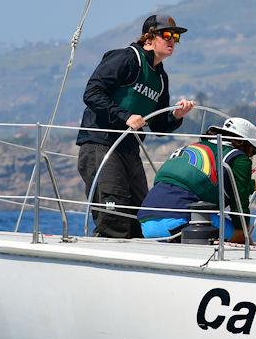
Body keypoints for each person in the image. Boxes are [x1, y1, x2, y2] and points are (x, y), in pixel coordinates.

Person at [76, 14, 196, 238]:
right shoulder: (126, 59)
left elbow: (159, 128)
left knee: (140, 211)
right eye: (166, 35)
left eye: (176, 37)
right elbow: (92, 93)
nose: (172, 40)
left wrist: (177, 116)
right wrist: (125, 116)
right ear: (148, 38)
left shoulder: (160, 78)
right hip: (100, 142)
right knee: (114, 210)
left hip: (129, 148)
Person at [136, 117, 256, 241]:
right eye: (252, 152)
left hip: (146, 223)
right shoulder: (239, 158)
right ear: (241, 143)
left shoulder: (192, 147)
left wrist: (253, 185)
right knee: (242, 234)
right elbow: (239, 200)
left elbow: (191, 183)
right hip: (181, 224)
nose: (250, 157)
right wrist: (243, 232)